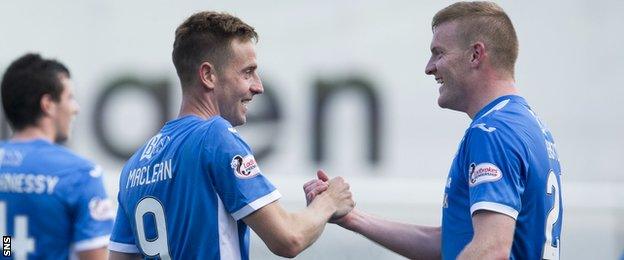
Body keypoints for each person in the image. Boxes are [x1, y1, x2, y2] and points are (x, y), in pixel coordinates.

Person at [304, 1, 563, 259]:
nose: (429, 68)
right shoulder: (528, 126)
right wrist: (352, 218)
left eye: (439, 53)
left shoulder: (492, 131)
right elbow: (451, 244)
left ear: (475, 54)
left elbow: (491, 250)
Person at [108, 11, 354, 260]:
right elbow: (289, 238)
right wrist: (329, 202)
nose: (258, 86)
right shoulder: (216, 136)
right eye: (247, 72)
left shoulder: (135, 165)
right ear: (208, 76)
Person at [0, 53, 114, 260]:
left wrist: (8, 251)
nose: (75, 108)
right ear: (48, 104)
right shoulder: (80, 174)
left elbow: (5, 238)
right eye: (70, 97)